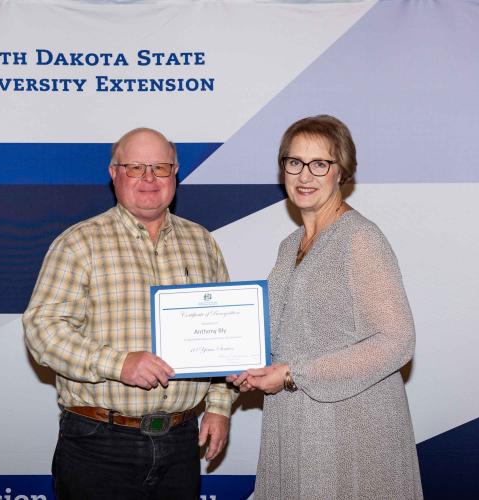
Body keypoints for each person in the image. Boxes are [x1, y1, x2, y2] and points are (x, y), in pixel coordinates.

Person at [23, 127, 235, 499]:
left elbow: (222, 335)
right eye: (136, 167)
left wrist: (218, 406)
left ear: (176, 173)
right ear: (114, 173)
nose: (150, 179)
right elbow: (43, 331)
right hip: (100, 443)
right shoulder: (79, 243)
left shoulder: (202, 243)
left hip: (181, 442)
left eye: (161, 167)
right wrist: (118, 363)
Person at [228, 115, 423, 499]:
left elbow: (397, 341)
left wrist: (293, 374)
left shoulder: (360, 239)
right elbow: (282, 331)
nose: (305, 175)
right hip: (294, 424)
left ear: (342, 172)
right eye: (294, 162)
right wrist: (244, 362)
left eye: (320, 164)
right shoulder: (290, 245)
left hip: (350, 432)